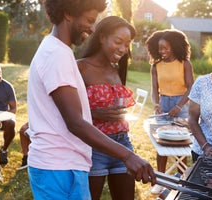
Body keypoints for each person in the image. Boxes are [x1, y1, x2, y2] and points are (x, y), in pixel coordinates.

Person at [27, 0, 156, 199]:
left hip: (65, 165)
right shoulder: (57, 54)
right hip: (58, 168)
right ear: (68, 13)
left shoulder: (59, 51)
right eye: (89, 20)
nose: (92, 27)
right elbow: (75, 122)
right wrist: (127, 155)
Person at [77, 16, 137, 200]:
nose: (122, 49)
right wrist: (95, 113)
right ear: (102, 37)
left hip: (122, 143)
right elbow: (68, 113)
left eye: (126, 45)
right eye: (118, 42)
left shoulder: (116, 69)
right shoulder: (81, 67)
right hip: (94, 146)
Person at [145, 29, 194, 195]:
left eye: (166, 48)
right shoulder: (156, 66)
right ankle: (160, 181)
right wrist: (157, 104)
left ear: (174, 46)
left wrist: (179, 106)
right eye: (160, 49)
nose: (162, 52)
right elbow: (154, 89)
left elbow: (191, 88)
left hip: (182, 105)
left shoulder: (185, 63)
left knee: (181, 144)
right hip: (164, 103)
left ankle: (181, 178)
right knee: (161, 143)